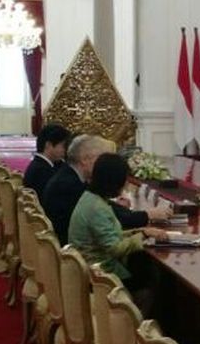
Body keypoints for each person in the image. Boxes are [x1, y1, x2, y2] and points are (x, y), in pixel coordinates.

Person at [42, 134, 171, 245]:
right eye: (103, 158)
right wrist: (148, 215)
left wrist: (119, 206)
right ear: (85, 159)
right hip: (76, 255)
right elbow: (106, 217)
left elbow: (104, 206)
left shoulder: (70, 176)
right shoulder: (67, 185)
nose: (106, 163)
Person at [68, 153, 167, 292]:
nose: (126, 185)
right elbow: (115, 249)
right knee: (153, 277)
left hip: (92, 269)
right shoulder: (97, 208)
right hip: (102, 277)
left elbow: (113, 235)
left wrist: (141, 231)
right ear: (114, 181)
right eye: (124, 180)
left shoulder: (90, 198)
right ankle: (135, 312)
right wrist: (144, 234)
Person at [24, 123, 71, 200]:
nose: (65, 150)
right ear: (48, 145)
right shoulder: (42, 171)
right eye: (63, 146)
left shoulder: (39, 165)